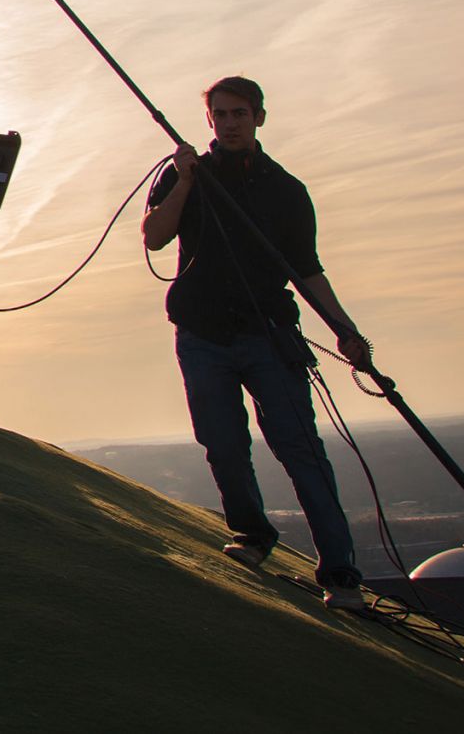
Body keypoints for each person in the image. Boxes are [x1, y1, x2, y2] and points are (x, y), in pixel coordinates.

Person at [143, 76, 374, 611]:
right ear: (210, 121)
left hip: (267, 334)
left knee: (301, 451)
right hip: (201, 335)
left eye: (239, 114)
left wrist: (345, 329)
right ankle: (251, 535)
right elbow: (154, 236)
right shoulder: (188, 176)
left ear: (259, 118)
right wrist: (183, 181)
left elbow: (306, 270)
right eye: (220, 115)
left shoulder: (286, 190)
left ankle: (340, 574)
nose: (228, 123)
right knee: (222, 443)